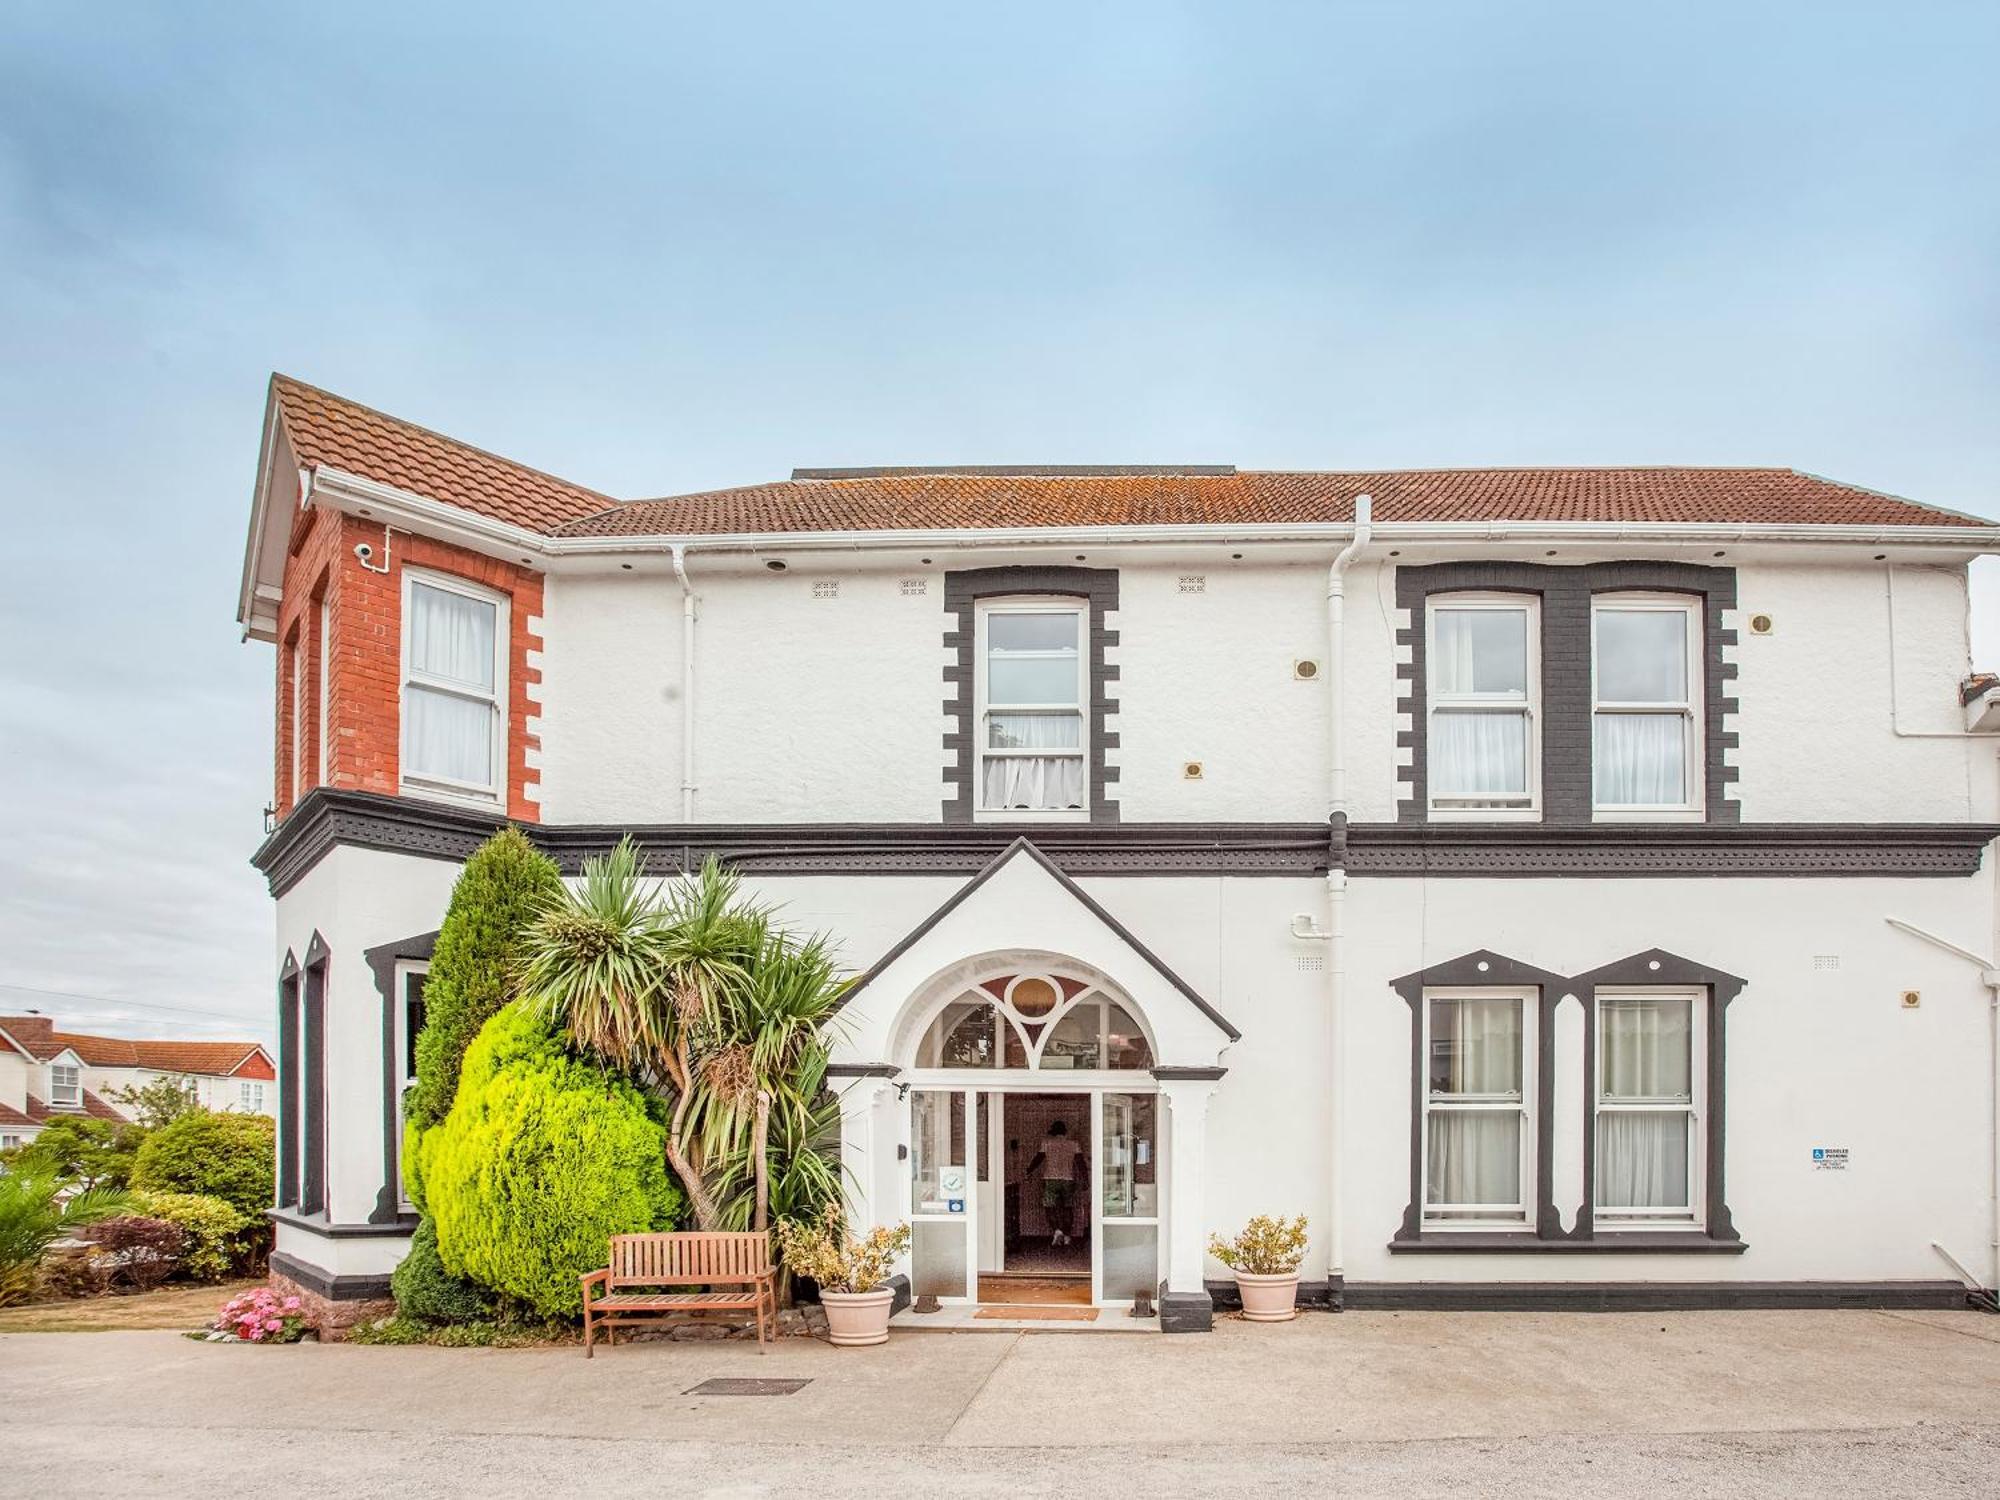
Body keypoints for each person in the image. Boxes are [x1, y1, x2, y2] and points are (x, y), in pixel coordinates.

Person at [1028, 1118, 1086, 1248]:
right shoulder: (1073, 1144)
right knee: (1068, 1208)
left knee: (1050, 1207)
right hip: (1068, 1179)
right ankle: (1066, 1236)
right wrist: (1085, 1179)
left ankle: (1057, 1231)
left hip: (1050, 1179)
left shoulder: (1047, 1143)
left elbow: (1038, 1159)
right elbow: (1080, 1163)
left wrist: (1029, 1170)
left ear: (1052, 1131)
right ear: (1065, 1131)